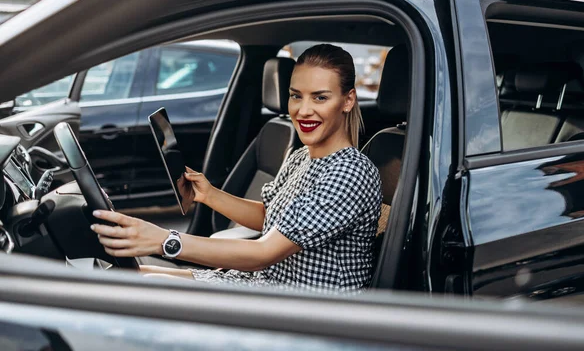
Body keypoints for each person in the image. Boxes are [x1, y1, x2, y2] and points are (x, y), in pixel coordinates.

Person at [90, 44, 382, 293]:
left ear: (348, 100)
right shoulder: (302, 156)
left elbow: (264, 252)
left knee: (139, 293)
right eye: (296, 95)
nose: (303, 110)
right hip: (260, 287)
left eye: (320, 97)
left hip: (305, 313)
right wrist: (210, 195)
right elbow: (270, 217)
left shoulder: (349, 173)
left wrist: (164, 240)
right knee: (133, 279)